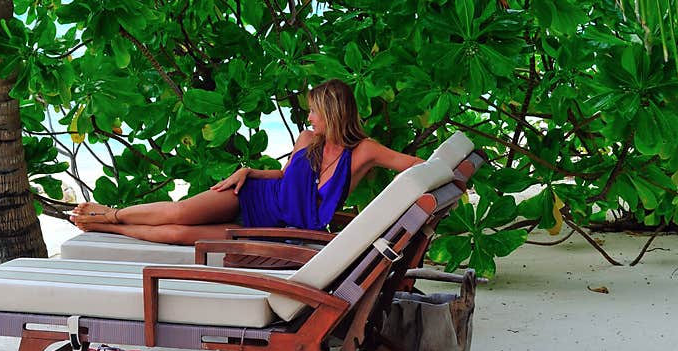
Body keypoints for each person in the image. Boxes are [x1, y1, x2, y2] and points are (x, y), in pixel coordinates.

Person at [69, 78, 423, 243]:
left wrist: (435, 188)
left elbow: (416, 167)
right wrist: (249, 170)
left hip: (273, 230)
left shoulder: (363, 151)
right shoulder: (307, 139)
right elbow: (286, 177)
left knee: (181, 235)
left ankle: (105, 227)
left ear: (332, 112)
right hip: (250, 194)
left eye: (314, 111)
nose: (309, 118)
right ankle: (109, 213)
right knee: (179, 213)